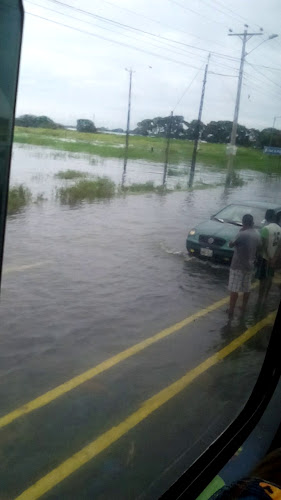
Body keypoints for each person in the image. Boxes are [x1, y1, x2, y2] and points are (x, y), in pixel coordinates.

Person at [228, 214, 260, 319]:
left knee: (234, 289)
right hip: (250, 265)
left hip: (238, 265)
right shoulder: (256, 234)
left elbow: (231, 244)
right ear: (252, 222)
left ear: (243, 222)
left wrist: (240, 232)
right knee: (246, 288)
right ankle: (243, 307)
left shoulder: (242, 234)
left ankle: (231, 310)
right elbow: (259, 247)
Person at [256, 209, 281, 303]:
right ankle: (266, 296)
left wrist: (268, 256)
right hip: (274, 258)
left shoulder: (265, 229)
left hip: (265, 258)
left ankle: (260, 297)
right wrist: (274, 258)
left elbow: (263, 245)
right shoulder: (279, 229)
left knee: (262, 278)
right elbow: (280, 246)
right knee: (270, 276)